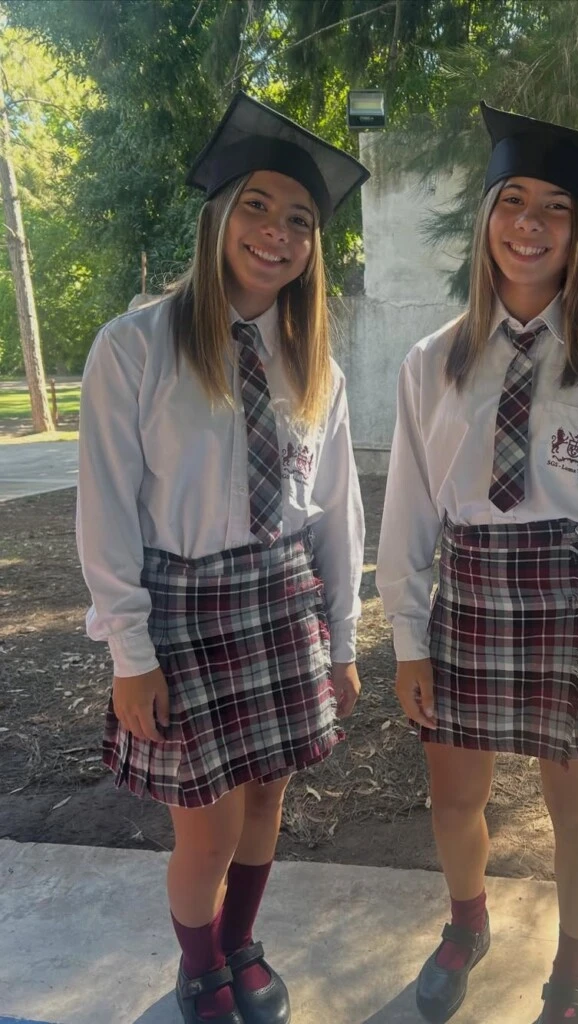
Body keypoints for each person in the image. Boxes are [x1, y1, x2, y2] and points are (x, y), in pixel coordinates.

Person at [77, 92, 369, 1024]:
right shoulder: (134, 349)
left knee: (266, 802)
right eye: (257, 207)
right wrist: (131, 654)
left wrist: (347, 638)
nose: (276, 234)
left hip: (283, 604)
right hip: (184, 612)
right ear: (218, 214)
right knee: (203, 830)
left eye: (298, 220)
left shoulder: (312, 361)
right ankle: (197, 968)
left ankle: (241, 943)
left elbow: (336, 510)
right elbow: (108, 514)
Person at [376, 101, 578, 1024]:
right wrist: (406, 639)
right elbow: (410, 510)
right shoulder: (431, 363)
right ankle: (467, 923)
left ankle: (573, 972)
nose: (528, 225)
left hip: (570, 609)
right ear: (486, 219)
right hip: (464, 606)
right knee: (454, 799)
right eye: (511, 202)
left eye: (552, 209)